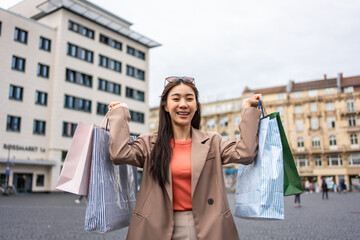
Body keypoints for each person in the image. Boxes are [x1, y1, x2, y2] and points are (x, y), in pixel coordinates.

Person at [107, 76, 262, 240]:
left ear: (195, 106)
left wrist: (248, 110)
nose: (183, 104)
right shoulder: (148, 143)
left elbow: (245, 153)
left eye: (189, 99)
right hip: (154, 227)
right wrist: (120, 112)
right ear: (166, 106)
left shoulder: (212, 141)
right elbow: (119, 153)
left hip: (206, 226)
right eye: (176, 98)